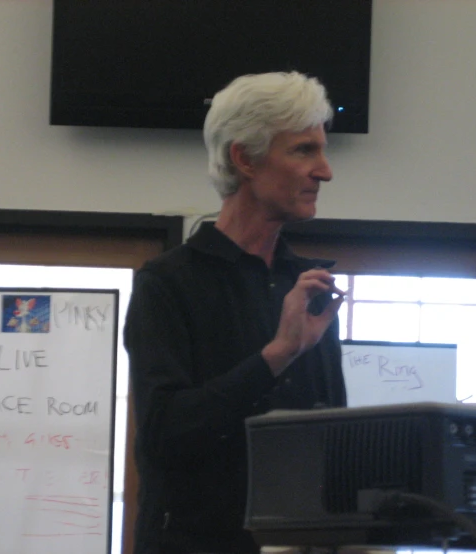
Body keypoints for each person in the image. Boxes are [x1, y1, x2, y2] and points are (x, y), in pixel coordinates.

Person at [124, 71, 347, 554]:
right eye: (304, 150)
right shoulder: (168, 283)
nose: (325, 171)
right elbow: (164, 436)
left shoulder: (310, 286)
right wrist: (278, 355)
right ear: (245, 158)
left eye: (322, 151)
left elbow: (331, 434)